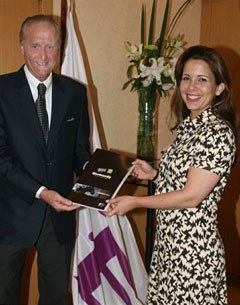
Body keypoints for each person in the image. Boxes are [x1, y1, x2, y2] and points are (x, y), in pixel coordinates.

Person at [106, 45, 238, 305]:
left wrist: (135, 201)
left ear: (219, 88)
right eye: (186, 78)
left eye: (203, 80)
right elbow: (183, 180)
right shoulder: (190, 127)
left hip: (192, 256)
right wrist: (153, 174)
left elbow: (191, 197)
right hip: (169, 248)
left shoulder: (217, 133)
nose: (191, 87)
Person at [0, 15, 90, 305]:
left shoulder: (75, 92)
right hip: (10, 214)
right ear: (22, 47)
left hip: (59, 216)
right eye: (36, 46)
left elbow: (80, 152)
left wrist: (101, 179)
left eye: (51, 47)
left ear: (60, 48)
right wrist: (41, 192)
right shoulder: (1, 91)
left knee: (55, 297)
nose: (43, 55)